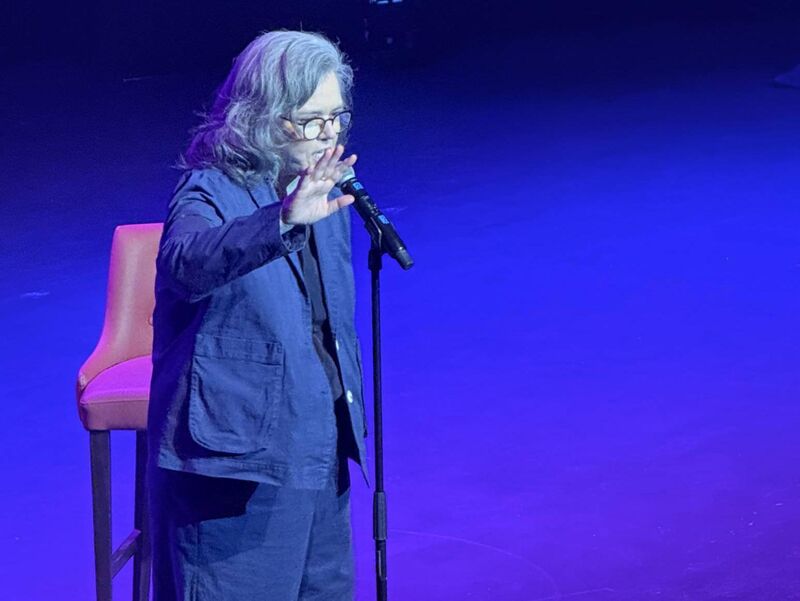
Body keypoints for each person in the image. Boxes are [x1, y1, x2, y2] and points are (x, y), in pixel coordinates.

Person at [146, 30, 369, 601]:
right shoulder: (209, 188)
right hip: (237, 464)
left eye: (336, 117)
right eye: (311, 120)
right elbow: (184, 262)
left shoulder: (322, 192)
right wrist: (282, 220)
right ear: (265, 116)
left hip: (317, 447)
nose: (329, 135)